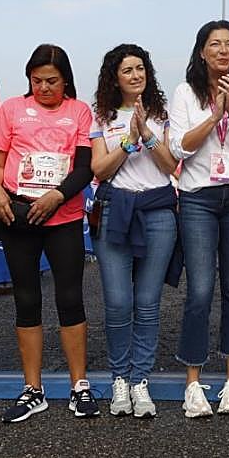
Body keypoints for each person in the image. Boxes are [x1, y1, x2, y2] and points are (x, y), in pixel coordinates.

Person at [0, 44, 97, 422]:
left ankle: (78, 386)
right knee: (27, 299)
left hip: (61, 215)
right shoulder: (13, 109)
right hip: (19, 214)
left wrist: (57, 196)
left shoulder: (79, 111)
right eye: (37, 81)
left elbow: (85, 168)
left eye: (52, 81)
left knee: (70, 298)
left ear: (65, 80)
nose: (44, 87)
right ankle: (32, 389)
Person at [169, 20, 229, 417]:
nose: (224, 51)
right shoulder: (185, 91)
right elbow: (180, 147)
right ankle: (193, 384)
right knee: (201, 290)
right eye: (215, 44)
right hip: (198, 197)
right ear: (202, 51)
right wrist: (214, 115)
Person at [89, 44, 178, 419]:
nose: (136, 75)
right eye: (127, 70)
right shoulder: (101, 116)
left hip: (158, 211)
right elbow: (99, 170)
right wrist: (128, 140)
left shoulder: (161, 113)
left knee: (147, 302)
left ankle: (140, 380)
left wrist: (148, 134)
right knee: (118, 302)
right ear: (114, 77)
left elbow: (172, 165)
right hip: (116, 210)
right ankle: (119, 379)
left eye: (140, 68)